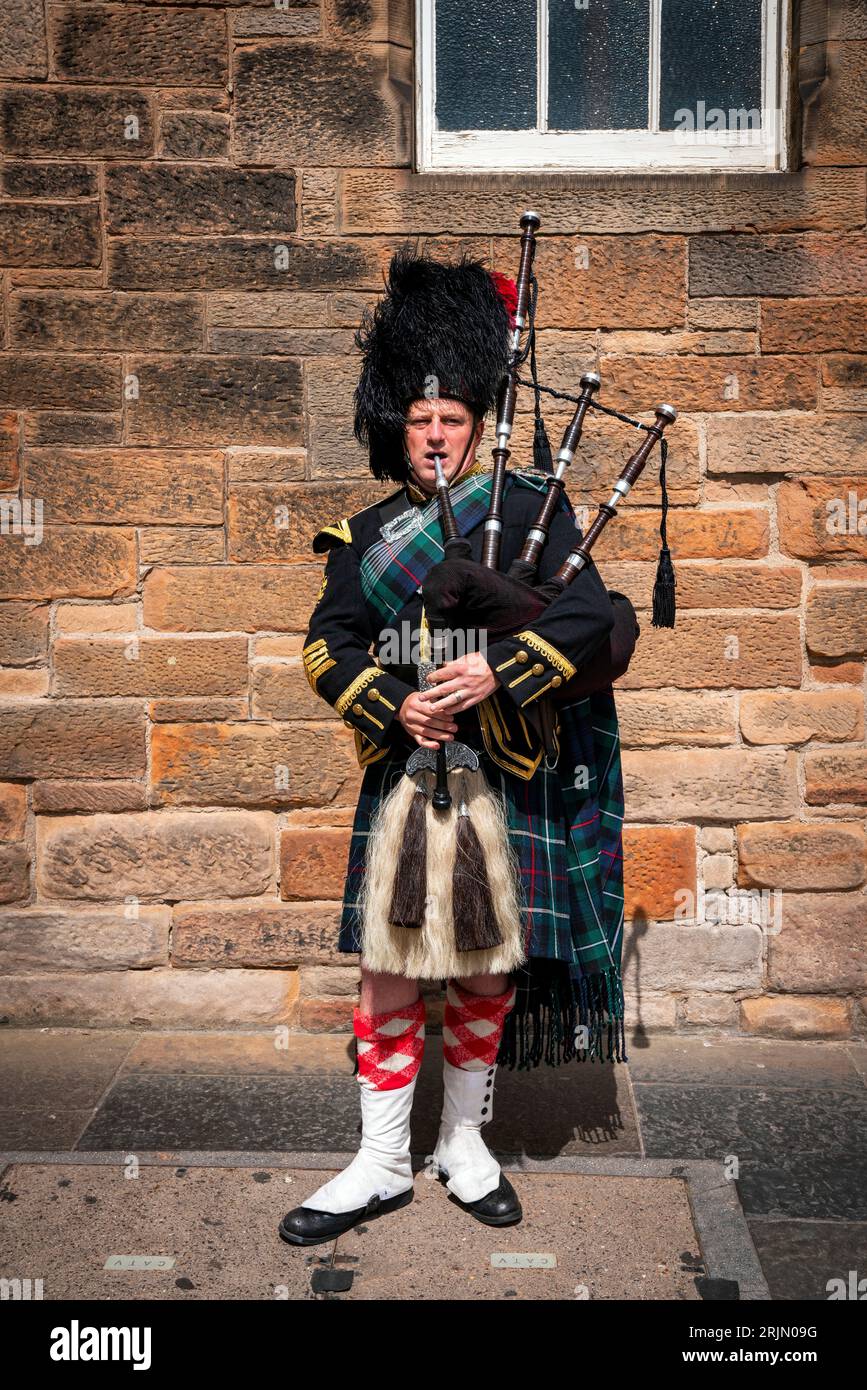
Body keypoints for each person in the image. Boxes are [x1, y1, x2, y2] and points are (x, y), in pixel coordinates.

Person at [279, 248, 626, 1249]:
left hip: (506, 774)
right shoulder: (366, 533)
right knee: (391, 969)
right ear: (399, 425)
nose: (436, 436)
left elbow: (592, 617)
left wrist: (497, 669)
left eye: (454, 422)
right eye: (421, 422)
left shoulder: (528, 508)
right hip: (407, 775)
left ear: (477, 427)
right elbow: (325, 645)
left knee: (484, 969)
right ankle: (382, 1159)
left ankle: (464, 1144)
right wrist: (393, 704)